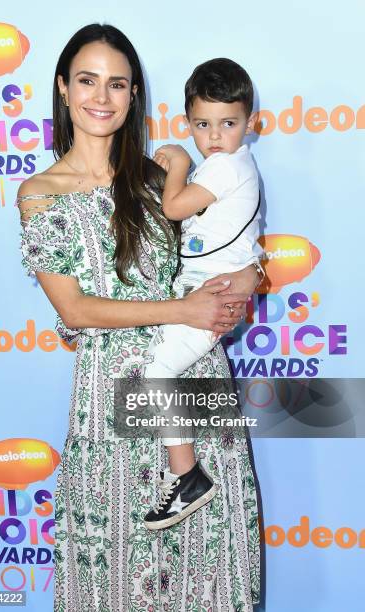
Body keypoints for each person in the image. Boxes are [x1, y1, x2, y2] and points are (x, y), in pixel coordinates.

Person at [17, 24, 260, 611]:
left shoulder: (160, 182)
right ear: (63, 89)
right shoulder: (39, 193)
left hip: (196, 382)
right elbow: (73, 308)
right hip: (111, 402)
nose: (102, 97)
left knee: (211, 574)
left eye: (117, 84)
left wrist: (248, 281)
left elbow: (230, 244)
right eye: (87, 80)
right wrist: (183, 307)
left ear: (133, 96)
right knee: (116, 578)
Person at [142, 58, 265, 531]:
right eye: (203, 124)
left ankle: (187, 475)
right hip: (203, 288)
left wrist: (177, 160)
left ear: (250, 123)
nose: (215, 135)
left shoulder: (223, 167)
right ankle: (185, 473)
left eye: (228, 123)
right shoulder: (229, 165)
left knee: (157, 372)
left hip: (208, 295)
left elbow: (174, 208)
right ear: (191, 120)